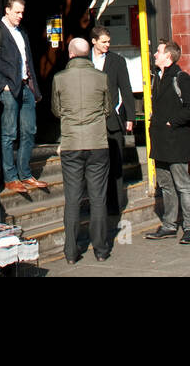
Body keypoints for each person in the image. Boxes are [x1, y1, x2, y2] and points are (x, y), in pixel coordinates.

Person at [51, 37, 112, 263]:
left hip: (71, 144)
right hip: (97, 143)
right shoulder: (101, 77)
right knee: (98, 198)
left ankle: (70, 252)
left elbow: (56, 110)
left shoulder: (59, 79)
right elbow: (107, 108)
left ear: (70, 54)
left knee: (73, 199)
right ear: (88, 54)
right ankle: (101, 250)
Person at [144, 39, 190, 246]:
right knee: (166, 186)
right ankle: (168, 225)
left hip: (176, 142)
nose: (155, 54)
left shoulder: (180, 78)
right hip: (160, 142)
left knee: (183, 186)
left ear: (168, 56)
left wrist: (172, 122)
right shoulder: (156, 77)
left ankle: (189, 228)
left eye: (158, 52)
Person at [0, 0, 46, 193]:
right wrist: (2, 86)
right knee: (9, 133)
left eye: (22, 12)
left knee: (29, 131)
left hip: (26, 87)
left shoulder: (22, 32)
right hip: (9, 88)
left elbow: (29, 61)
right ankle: (10, 177)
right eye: (17, 12)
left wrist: (35, 90)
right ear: (7, 10)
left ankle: (25, 173)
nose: (20, 16)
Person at [90, 26, 135, 218]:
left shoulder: (117, 61)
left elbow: (126, 88)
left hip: (112, 120)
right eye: (103, 42)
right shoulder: (84, 61)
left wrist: (130, 117)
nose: (107, 45)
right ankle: (96, 203)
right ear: (94, 41)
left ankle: (114, 205)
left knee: (115, 163)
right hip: (91, 120)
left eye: (109, 42)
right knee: (94, 164)